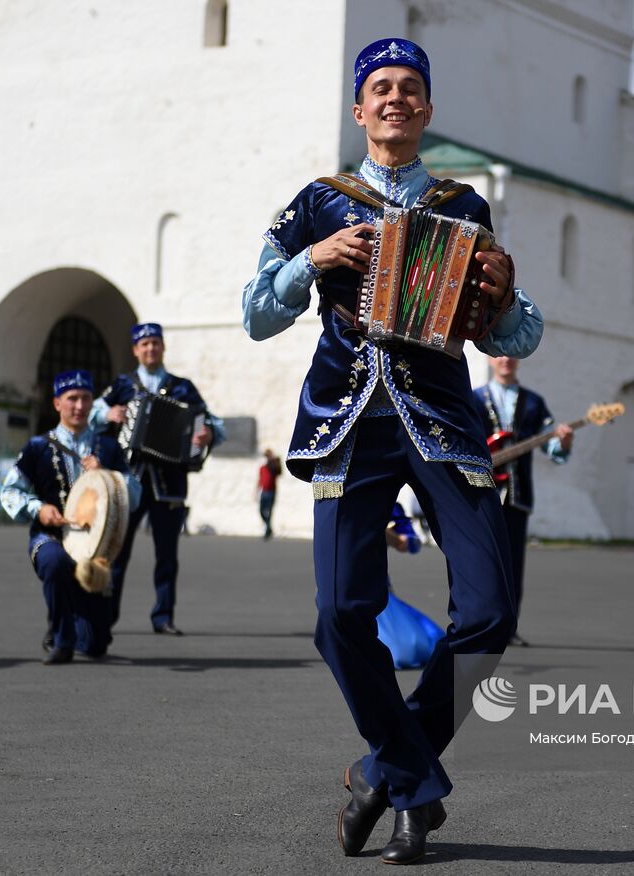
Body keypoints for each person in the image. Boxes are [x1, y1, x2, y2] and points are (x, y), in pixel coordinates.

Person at [241, 37, 543, 864]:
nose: (396, 100)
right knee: (340, 615)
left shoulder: (464, 206)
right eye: (381, 88)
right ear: (359, 108)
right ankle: (412, 782)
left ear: (428, 109)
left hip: (442, 422)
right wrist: (312, 261)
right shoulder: (316, 201)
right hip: (346, 419)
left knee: (488, 615)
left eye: (410, 88)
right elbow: (256, 313)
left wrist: (507, 295)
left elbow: (516, 334)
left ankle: (383, 770)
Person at [90, 323, 225, 636]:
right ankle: (107, 616)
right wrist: (108, 416)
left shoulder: (183, 388)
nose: (150, 349)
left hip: (169, 483)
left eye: (155, 343)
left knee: (168, 555)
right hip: (130, 482)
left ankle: (163, 616)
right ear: (136, 350)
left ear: (163, 348)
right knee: (118, 551)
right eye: (144, 344)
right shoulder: (123, 385)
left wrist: (209, 435)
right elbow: (96, 411)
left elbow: (214, 423)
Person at [1, 371, 140, 664]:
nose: (79, 405)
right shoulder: (37, 447)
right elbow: (9, 492)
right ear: (56, 404)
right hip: (50, 538)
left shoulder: (110, 448)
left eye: (85, 398)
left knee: (96, 646)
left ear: (93, 403)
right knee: (55, 561)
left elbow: (136, 494)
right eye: (72, 399)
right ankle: (62, 639)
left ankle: (66, 620)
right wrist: (38, 508)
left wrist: (109, 475)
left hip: (96, 549)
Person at [474, 355, 572, 646]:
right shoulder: (473, 398)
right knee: (480, 560)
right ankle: (477, 625)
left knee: (514, 563)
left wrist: (563, 441)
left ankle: (508, 628)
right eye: (500, 354)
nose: (506, 359)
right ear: (491, 359)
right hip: (481, 493)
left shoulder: (533, 402)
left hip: (517, 494)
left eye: (511, 355)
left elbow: (552, 444)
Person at [378, 502, 445, 670]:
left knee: (400, 652)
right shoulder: (338, 497)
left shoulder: (389, 504)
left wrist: (391, 537)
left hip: (377, 591)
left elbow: (413, 544)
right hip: (342, 587)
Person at [257, 448, 281, 540]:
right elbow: (259, 479)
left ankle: (267, 531)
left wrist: (274, 459)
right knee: (261, 510)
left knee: (269, 512)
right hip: (264, 492)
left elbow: (279, 471)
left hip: (271, 492)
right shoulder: (263, 468)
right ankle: (269, 527)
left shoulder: (273, 467)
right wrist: (256, 491)